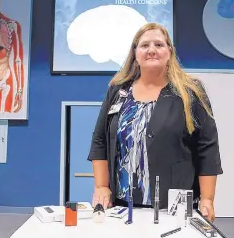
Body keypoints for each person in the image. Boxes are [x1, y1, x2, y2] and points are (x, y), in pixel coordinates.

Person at [87, 22, 223, 222]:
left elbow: (207, 149)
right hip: (124, 203)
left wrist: (207, 198)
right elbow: (100, 141)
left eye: (159, 45)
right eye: (144, 45)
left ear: (169, 51)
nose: (152, 50)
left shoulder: (190, 91)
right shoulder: (117, 91)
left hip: (175, 202)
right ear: (135, 53)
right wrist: (101, 186)